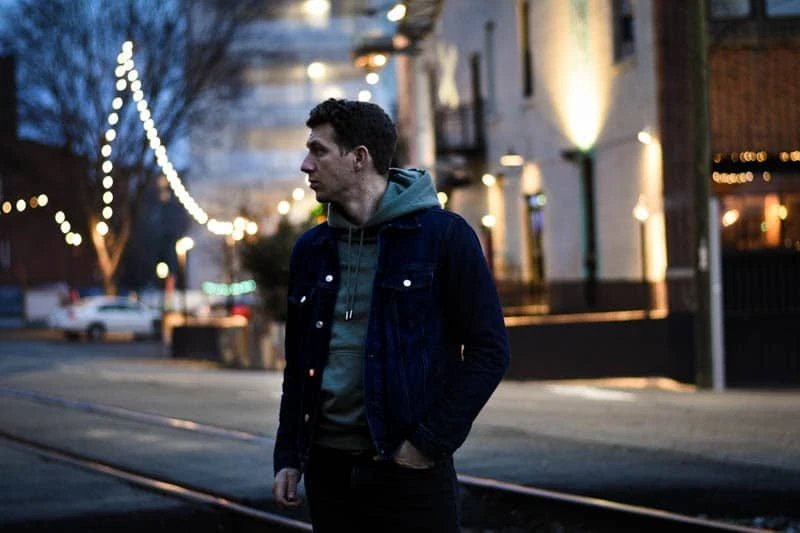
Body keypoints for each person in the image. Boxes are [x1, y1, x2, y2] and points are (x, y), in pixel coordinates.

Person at [272, 98, 509, 532]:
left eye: (319, 150)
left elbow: (488, 351)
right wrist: (289, 455)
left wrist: (426, 445)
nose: (306, 165)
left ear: (359, 158)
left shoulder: (443, 237)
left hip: (409, 471)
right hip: (328, 470)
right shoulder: (311, 250)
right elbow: (299, 363)